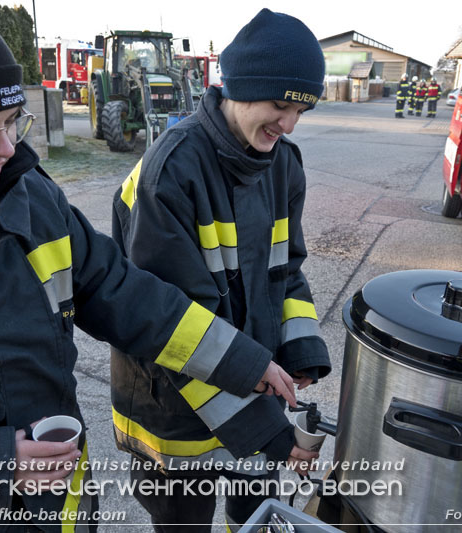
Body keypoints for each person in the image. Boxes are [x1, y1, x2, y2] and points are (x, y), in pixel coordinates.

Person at [0, 1, 298, 531]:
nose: (4, 148)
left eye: (11, 122)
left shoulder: (32, 198)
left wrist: (244, 363)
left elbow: (126, 295)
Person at [110, 9, 331, 532]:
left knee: (252, 519)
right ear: (240, 88)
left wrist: (298, 351)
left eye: (302, 110)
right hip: (175, 410)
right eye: (280, 106)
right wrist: (267, 425)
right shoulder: (171, 172)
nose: (290, 124)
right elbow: (173, 328)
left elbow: (286, 273)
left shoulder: (284, 164)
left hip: (253, 385)